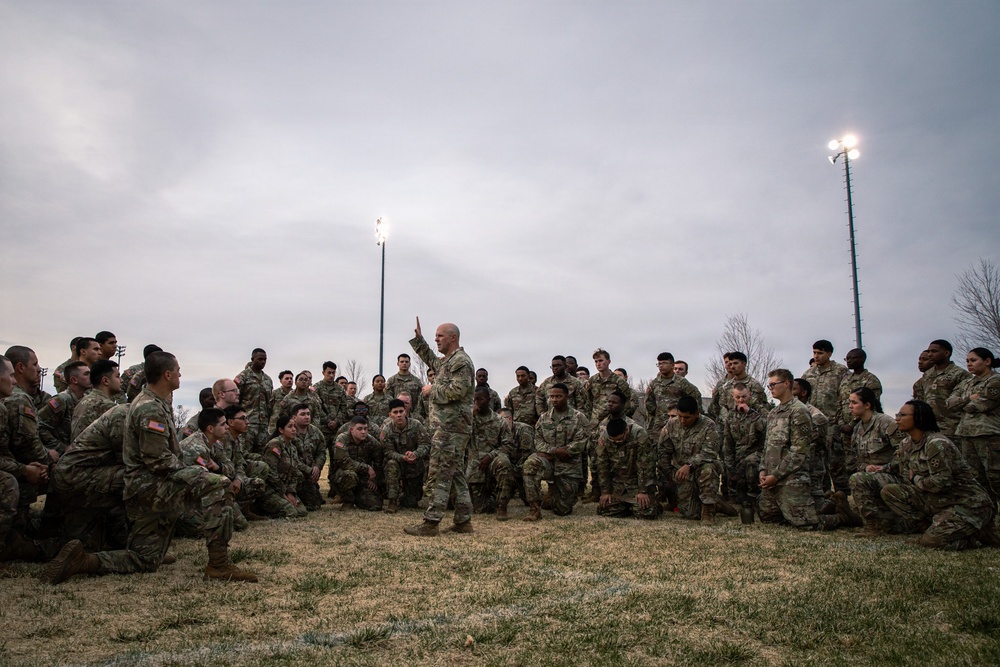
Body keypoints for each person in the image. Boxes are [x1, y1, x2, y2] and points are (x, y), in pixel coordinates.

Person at [44, 351, 258, 584]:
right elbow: (158, 461)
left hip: (142, 482)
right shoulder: (149, 408)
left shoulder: (155, 403)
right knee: (219, 485)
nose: (180, 375)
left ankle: (83, 561)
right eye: (177, 371)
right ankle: (218, 564)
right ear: (167, 374)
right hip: (147, 483)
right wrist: (197, 472)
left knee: (145, 559)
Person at [881, 400, 997, 549]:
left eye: (902, 415)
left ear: (919, 418)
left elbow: (941, 483)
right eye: (897, 414)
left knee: (931, 543)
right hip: (938, 501)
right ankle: (933, 527)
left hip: (966, 503)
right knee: (891, 491)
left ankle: (976, 533)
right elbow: (903, 473)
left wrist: (917, 479)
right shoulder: (906, 444)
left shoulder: (936, 443)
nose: (897, 418)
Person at [758, 369, 860, 531]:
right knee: (768, 516)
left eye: (773, 384)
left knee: (805, 524)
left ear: (786, 384)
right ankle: (821, 505)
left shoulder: (799, 411)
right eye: (769, 385)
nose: (770, 388)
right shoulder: (773, 413)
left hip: (791, 476)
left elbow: (799, 451)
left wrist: (776, 476)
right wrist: (763, 469)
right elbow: (767, 446)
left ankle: (842, 517)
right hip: (771, 477)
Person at [405, 318, 476, 536]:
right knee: (454, 474)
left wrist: (431, 389)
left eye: (440, 336)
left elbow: (457, 390)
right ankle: (464, 521)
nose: (436, 339)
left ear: (453, 338)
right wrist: (420, 341)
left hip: (451, 428)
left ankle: (431, 522)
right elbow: (431, 360)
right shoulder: (448, 361)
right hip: (447, 427)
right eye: (435, 336)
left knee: (440, 473)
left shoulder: (461, 361)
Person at [0, 354, 60, 565]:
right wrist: (30, 467)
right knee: (8, 484)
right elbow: (27, 444)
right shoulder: (18, 399)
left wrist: (27, 467)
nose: (14, 380)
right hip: (20, 470)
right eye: (34, 364)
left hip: (19, 464)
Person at [521, 383, 589, 521]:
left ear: (567, 396)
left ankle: (554, 494)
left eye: (558, 396)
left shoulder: (579, 417)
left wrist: (567, 450)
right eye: (552, 397)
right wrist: (554, 451)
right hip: (548, 461)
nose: (554, 400)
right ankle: (534, 509)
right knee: (530, 464)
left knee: (562, 510)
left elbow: (582, 441)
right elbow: (538, 440)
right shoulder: (544, 418)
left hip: (568, 465)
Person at [658, 396, 727, 522]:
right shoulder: (672, 425)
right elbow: (663, 451)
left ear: (696, 414)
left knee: (709, 469)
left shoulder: (708, 425)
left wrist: (689, 465)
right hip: (681, 472)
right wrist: (670, 474)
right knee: (690, 514)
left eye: (687, 417)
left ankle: (708, 508)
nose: (682, 420)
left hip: (702, 467)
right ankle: (717, 505)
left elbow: (709, 452)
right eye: (680, 416)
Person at [947, 347, 1000, 505]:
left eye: (973, 360)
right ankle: (988, 517)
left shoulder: (995, 381)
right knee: (976, 479)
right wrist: (969, 398)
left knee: (995, 477)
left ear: (987, 361)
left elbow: (981, 405)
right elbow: (950, 404)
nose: (969, 364)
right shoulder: (966, 383)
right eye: (967, 361)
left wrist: (964, 402)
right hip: (966, 434)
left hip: (989, 435)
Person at [801, 340, 850, 494]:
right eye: (814, 353)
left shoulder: (840, 372)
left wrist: (842, 421)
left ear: (829, 354)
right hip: (814, 424)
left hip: (833, 423)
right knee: (818, 460)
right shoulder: (809, 374)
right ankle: (824, 494)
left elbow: (845, 398)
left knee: (836, 462)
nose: (816, 356)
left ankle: (843, 495)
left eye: (820, 353)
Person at [467, 386, 517, 520]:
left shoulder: (499, 421)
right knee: (480, 509)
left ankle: (502, 507)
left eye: (480, 399)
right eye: (475, 400)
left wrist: (491, 455)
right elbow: (457, 436)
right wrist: (470, 418)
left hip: (493, 463)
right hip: (474, 468)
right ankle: (492, 498)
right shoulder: (467, 420)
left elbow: (508, 445)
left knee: (504, 463)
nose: (477, 402)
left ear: (489, 400)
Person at [597, 416, 660, 519]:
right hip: (618, 484)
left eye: (620, 439)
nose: (617, 442)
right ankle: (626, 506)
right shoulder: (604, 438)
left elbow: (645, 465)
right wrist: (605, 492)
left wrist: (643, 491)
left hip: (637, 483)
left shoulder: (639, 434)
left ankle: (652, 503)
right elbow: (602, 466)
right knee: (605, 510)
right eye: (614, 441)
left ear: (626, 430)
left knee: (646, 513)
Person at [722, 383, 767, 518]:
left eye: (744, 397)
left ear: (750, 395)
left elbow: (765, 429)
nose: (741, 400)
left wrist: (750, 413)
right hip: (738, 456)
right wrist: (730, 468)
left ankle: (754, 499)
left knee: (751, 462)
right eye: (738, 397)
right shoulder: (731, 416)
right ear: (733, 397)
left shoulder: (760, 411)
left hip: (757, 453)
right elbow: (728, 443)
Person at [380, 398, 431, 513]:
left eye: (401, 411)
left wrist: (415, 454)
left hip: (414, 466)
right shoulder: (386, 430)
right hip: (398, 463)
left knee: (411, 503)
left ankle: (405, 494)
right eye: (395, 412)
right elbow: (388, 452)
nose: (399, 415)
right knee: (391, 464)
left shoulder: (416, 425)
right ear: (390, 414)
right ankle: (392, 502)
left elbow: (426, 444)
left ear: (405, 412)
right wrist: (402, 457)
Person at [258, 415, 308, 518]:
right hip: (271, 490)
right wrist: (284, 493)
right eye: (290, 427)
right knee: (291, 513)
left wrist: (291, 492)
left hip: (284, 489)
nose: (294, 429)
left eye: (294, 426)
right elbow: (271, 473)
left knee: (302, 512)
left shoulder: (292, 448)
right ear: (281, 429)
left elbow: (294, 472)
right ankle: (261, 509)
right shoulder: (275, 444)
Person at [845, 387, 902, 475]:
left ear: (867, 405)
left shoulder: (885, 423)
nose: (850, 406)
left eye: (854, 403)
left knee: (857, 479)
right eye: (850, 402)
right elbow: (855, 458)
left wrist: (885, 468)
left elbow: (903, 450)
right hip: (869, 475)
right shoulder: (857, 428)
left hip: (891, 473)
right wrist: (865, 467)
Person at [38, 361, 92, 453]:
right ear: (74, 380)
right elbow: (39, 426)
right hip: (61, 456)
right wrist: (62, 448)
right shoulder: (62, 400)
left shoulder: (86, 400)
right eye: (86, 374)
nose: (91, 377)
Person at [921, 339, 971, 436]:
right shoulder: (928, 374)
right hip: (930, 427)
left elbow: (967, 400)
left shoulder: (960, 374)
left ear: (946, 353)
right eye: (929, 351)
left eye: (934, 351)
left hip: (953, 427)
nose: (930, 354)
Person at [330, 417, 380, 511]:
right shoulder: (342, 439)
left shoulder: (371, 441)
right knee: (350, 474)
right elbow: (343, 461)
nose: (363, 432)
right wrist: (366, 468)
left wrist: (373, 479)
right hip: (342, 476)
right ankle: (347, 501)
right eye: (360, 429)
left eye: (365, 429)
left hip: (363, 478)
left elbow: (379, 460)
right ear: (352, 430)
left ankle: (358, 497)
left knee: (375, 505)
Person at [837, 349, 883, 440]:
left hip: (864, 428)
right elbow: (839, 402)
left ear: (862, 359)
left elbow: (871, 406)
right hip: (845, 430)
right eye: (846, 359)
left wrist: (851, 424)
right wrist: (841, 423)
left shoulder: (871, 380)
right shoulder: (845, 379)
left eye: (852, 358)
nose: (848, 361)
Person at [235, 348, 274, 452]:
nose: (263, 362)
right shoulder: (243, 377)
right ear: (252, 359)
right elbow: (235, 400)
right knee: (244, 453)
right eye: (260, 359)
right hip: (247, 423)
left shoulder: (268, 380)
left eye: (265, 359)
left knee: (262, 455)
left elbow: (269, 403)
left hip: (263, 425)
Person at [71, 359, 120, 441]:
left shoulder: (83, 401)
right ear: (105, 381)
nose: (121, 380)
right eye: (117, 376)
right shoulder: (108, 406)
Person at [291, 403, 326, 511]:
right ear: (294, 417)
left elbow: (322, 452)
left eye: (308, 414)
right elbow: (289, 458)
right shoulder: (289, 431)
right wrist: (308, 470)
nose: (307, 417)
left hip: (310, 475)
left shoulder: (316, 432)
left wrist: (317, 467)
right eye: (302, 414)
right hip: (293, 474)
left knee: (314, 506)